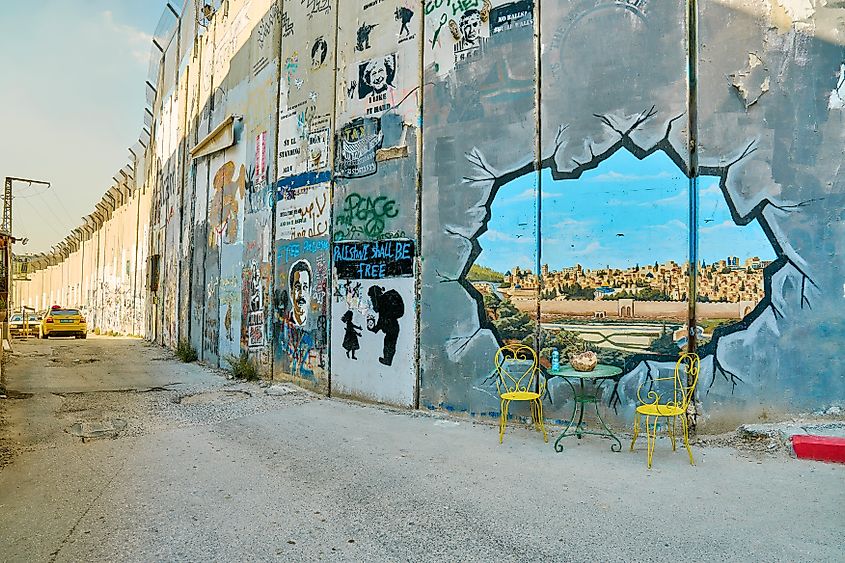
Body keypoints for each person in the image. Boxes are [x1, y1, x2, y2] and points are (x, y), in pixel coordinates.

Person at [367, 285, 404, 366]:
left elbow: (382, 319)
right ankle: (387, 359)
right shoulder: (383, 302)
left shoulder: (383, 302)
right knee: (389, 343)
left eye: (372, 298)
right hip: (393, 326)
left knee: (389, 344)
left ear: (375, 295)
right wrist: (375, 328)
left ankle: (388, 360)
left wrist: (376, 328)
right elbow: (381, 320)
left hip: (392, 327)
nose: (372, 300)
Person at [288, 259, 312, 327]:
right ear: (291, 292)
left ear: (309, 292)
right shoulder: (284, 324)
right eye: (297, 287)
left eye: (305, 287)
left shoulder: (313, 323)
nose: (301, 294)